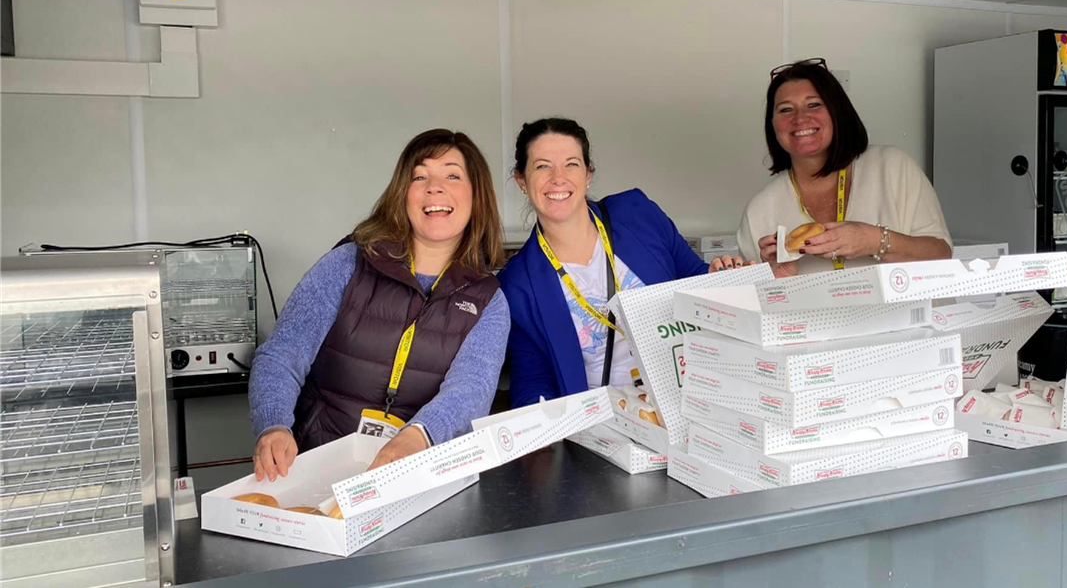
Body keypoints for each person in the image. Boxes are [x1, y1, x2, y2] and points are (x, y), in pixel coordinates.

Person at [249, 129, 509, 481]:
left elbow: (471, 389)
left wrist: (419, 436)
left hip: (418, 474)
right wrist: (273, 425)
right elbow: (282, 353)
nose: (435, 187)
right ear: (402, 194)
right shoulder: (348, 264)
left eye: (452, 175)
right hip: (313, 470)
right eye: (419, 176)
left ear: (477, 196)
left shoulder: (488, 300)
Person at [499, 117, 747, 407]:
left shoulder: (637, 215)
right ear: (521, 180)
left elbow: (693, 277)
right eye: (542, 166)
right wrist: (540, 423)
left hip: (687, 396)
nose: (558, 177)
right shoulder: (517, 284)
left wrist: (722, 277)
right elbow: (532, 377)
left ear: (588, 174)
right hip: (604, 419)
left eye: (571, 164)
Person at [738, 58, 952, 277]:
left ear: (837, 111)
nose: (800, 118)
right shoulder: (759, 211)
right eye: (785, 110)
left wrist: (873, 240)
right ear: (772, 124)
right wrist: (777, 280)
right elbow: (755, 297)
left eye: (814, 104)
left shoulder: (893, 168)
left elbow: (942, 254)